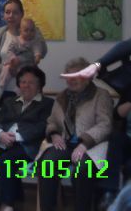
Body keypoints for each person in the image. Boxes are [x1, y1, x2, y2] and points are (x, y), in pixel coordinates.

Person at [0, 66, 53, 211]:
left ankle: (6, 204)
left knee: (6, 161)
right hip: (3, 142)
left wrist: (17, 137)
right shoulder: (10, 101)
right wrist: (0, 134)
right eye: (23, 82)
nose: (26, 85)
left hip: (27, 146)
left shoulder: (47, 104)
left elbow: (43, 126)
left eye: (31, 82)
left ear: (40, 85)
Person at [38, 57, 113, 211]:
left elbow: (105, 125)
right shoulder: (61, 96)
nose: (72, 80)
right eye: (69, 76)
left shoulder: (101, 95)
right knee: (47, 165)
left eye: (77, 75)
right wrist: (54, 134)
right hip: (66, 143)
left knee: (83, 169)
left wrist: (85, 143)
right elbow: (52, 121)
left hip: (92, 145)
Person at [0, 0, 47, 105]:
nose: (11, 16)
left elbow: (43, 52)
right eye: (7, 12)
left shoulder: (30, 32)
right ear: (4, 15)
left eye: (15, 12)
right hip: (3, 91)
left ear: (22, 14)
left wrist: (35, 32)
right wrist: (8, 69)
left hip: (27, 90)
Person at [0, 18, 43, 102]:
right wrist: (13, 59)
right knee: (5, 69)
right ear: (20, 31)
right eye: (26, 30)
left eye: (32, 30)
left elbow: (37, 50)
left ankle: (21, 94)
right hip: (13, 64)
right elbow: (9, 51)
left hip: (26, 66)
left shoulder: (34, 42)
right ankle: (0, 89)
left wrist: (37, 57)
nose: (29, 33)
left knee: (25, 78)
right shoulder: (15, 40)